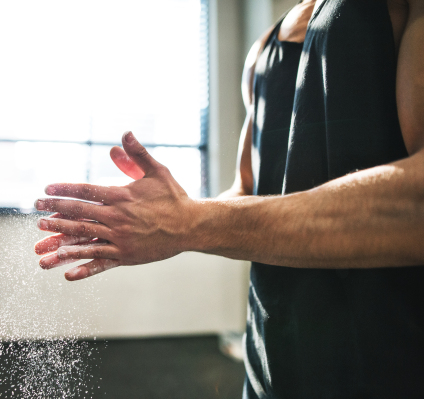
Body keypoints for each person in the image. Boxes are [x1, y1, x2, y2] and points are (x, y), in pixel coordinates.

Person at [35, 0, 424, 397]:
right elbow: (246, 190)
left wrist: (184, 222)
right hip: (271, 366)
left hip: (386, 367)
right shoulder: (264, 50)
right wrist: (151, 216)